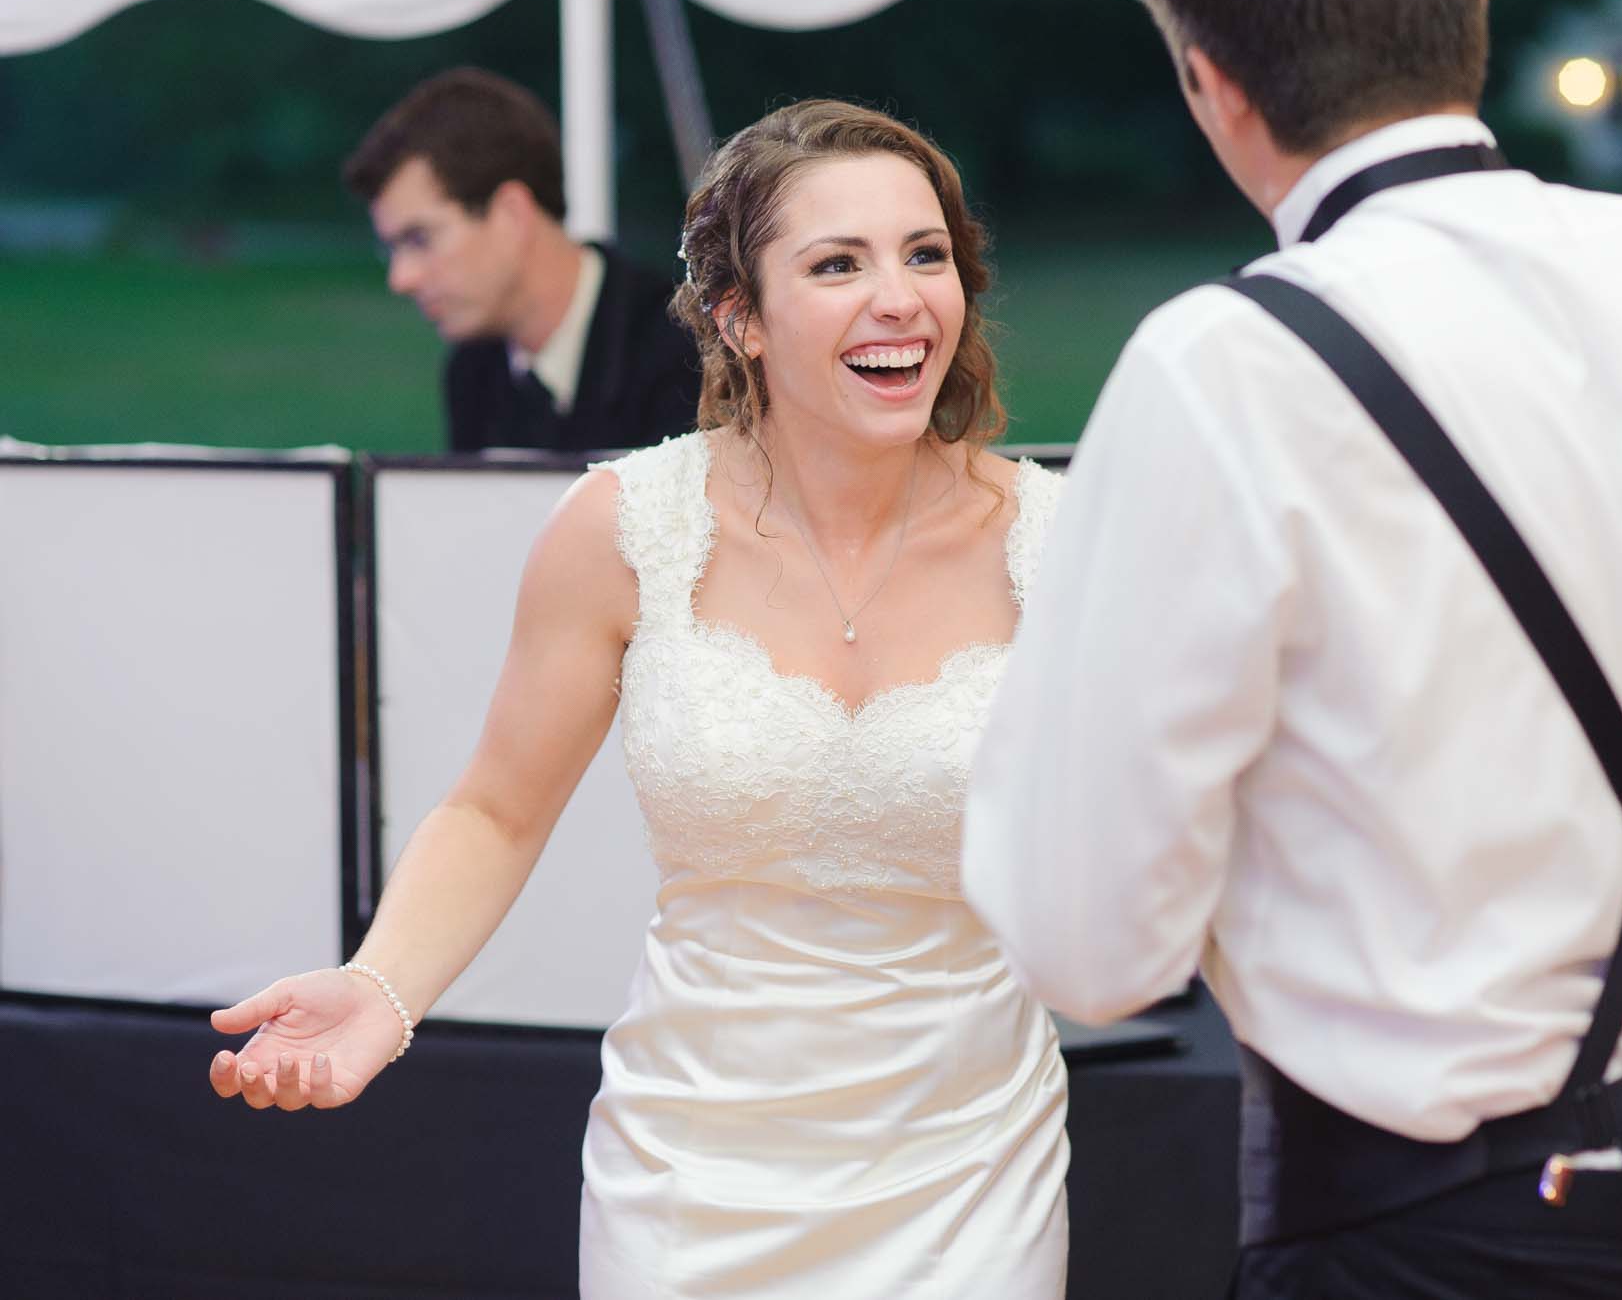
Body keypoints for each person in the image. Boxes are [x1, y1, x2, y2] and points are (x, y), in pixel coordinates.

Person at [961, 0, 1622, 1296]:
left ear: (1208, 80)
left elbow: (1088, 946)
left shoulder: (1228, 365)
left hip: (1402, 1242)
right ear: (1473, 23)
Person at [212, 99, 1069, 1298]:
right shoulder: (625, 527)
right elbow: (495, 811)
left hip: (967, 1179)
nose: (901, 297)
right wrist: (379, 985)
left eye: (925, 255)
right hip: (693, 1179)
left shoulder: (1058, 544)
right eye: (837, 263)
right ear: (740, 318)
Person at [342, 67, 701, 453]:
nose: (400, 279)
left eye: (419, 239)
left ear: (512, 213)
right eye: (391, 249)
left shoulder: (687, 354)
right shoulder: (473, 372)